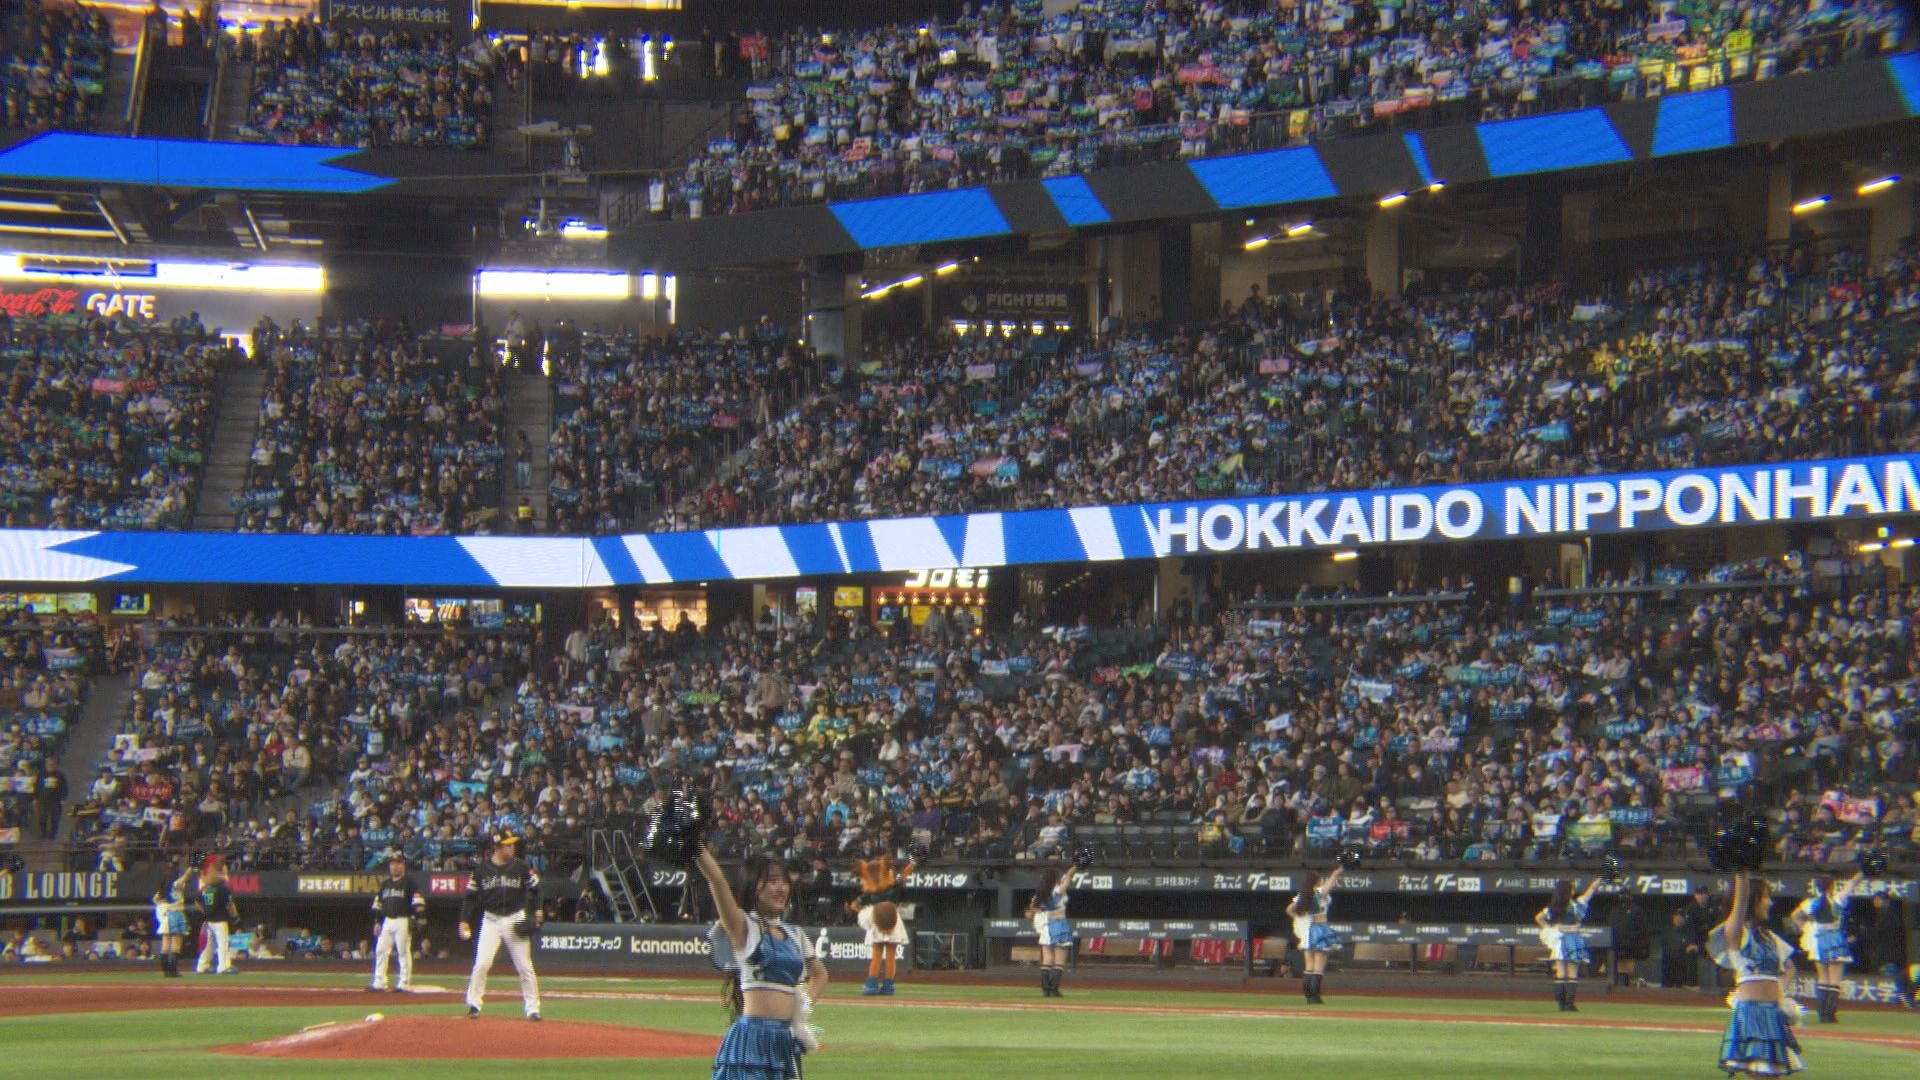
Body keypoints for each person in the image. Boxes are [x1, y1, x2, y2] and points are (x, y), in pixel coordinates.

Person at [694, 840, 828, 1079]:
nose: (781, 889)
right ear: (753, 887)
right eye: (772, 881)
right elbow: (717, 880)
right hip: (752, 1040)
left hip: (785, 1041)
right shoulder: (744, 927)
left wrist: (803, 1005)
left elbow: (820, 974)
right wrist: (696, 847)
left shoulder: (795, 934)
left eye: (784, 882)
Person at [1713, 870, 1803, 1077]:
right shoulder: (1737, 933)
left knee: (1775, 1074)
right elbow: (1740, 903)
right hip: (1751, 1014)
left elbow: (1789, 968)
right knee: (1758, 1074)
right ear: (1754, 900)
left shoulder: (1769, 937)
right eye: (1766, 897)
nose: (1770, 902)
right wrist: (1742, 871)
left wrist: (1782, 996)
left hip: (1773, 1013)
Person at [459, 831, 542, 1020]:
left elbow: (537, 889)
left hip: (516, 917)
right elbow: (470, 897)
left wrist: (537, 910)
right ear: (497, 847)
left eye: (512, 845)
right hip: (491, 920)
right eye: (508, 845)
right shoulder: (481, 869)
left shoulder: (521, 867)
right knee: (482, 964)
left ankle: (533, 1009)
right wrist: (464, 920)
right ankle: (474, 1004)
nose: (512, 848)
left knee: (524, 966)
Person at [1789, 871, 1862, 1023]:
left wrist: (1805, 928)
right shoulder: (1838, 899)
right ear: (1832, 886)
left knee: (1822, 977)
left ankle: (1822, 1013)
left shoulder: (1811, 903)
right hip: (1835, 939)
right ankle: (1830, 1014)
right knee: (1835, 978)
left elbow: (1795, 916)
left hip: (1818, 940)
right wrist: (1864, 870)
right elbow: (1852, 884)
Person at [850, 848, 915, 996]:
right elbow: (904, 875)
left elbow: (855, 905)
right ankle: (888, 986)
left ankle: (871, 985)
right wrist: (912, 865)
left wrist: (864, 912)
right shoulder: (893, 887)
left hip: (876, 919)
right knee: (891, 956)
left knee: (877, 955)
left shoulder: (869, 894)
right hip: (892, 917)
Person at [1536, 877, 1603, 1011]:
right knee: (1573, 973)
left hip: (1560, 939)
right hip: (1574, 939)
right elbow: (1591, 889)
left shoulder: (1554, 907)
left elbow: (1538, 917)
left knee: (1561, 972)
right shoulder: (1577, 905)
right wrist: (1604, 875)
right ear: (1569, 891)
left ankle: (1561, 1005)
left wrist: (1552, 927)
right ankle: (1569, 1004)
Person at [1287, 863, 1344, 1004]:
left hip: (1309, 930)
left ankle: (1308, 996)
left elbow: (1289, 910)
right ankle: (1315, 996)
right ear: (1316, 881)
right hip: (1320, 929)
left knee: (1309, 965)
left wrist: (1301, 919)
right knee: (1319, 965)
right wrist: (1336, 872)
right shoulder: (1319, 893)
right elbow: (1330, 884)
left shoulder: (1303, 895)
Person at [371, 850, 425, 992]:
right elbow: (378, 904)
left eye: (398, 864)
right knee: (381, 950)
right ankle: (379, 982)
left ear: (403, 866)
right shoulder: (385, 884)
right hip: (387, 921)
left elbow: (418, 901)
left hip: (403, 920)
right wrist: (377, 922)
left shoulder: (409, 883)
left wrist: (420, 917)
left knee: (403, 952)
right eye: (393, 864)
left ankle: (404, 983)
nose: (395, 866)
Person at [1031, 858, 1084, 998]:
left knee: (1047, 958)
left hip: (1046, 926)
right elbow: (1069, 875)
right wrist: (1079, 864)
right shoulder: (1058, 891)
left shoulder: (1040, 894)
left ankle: (1045, 989)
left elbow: (1033, 910)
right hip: (1059, 925)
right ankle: (1054, 989)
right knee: (1060, 960)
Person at [1867, 894, 1915, 1009]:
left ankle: (1905, 999)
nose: (1875, 902)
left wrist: (1864, 933)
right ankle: (1904, 999)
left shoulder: (1888, 915)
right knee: (1895, 979)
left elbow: (1879, 933)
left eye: (1878, 900)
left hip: (1889, 955)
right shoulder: (1885, 914)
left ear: (1886, 901)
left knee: (1893, 979)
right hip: (1891, 954)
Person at [193, 856, 239, 975]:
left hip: (209, 920)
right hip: (220, 920)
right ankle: (223, 967)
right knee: (223, 943)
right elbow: (229, 904)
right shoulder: (223, 888)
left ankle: (202, 966)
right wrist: (235, 916)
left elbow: (196, 902)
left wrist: (204, 911)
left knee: (209, 945)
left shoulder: (206, 888)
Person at [152, 865, 193, 978]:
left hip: (165, 917)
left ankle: (165, 971)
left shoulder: (160, 892)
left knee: (165, 945)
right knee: (176, 944)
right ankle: (173, 970)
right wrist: (196, 861)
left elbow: (157, 902)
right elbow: (187, 875)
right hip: (176, 915)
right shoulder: (176, 884)